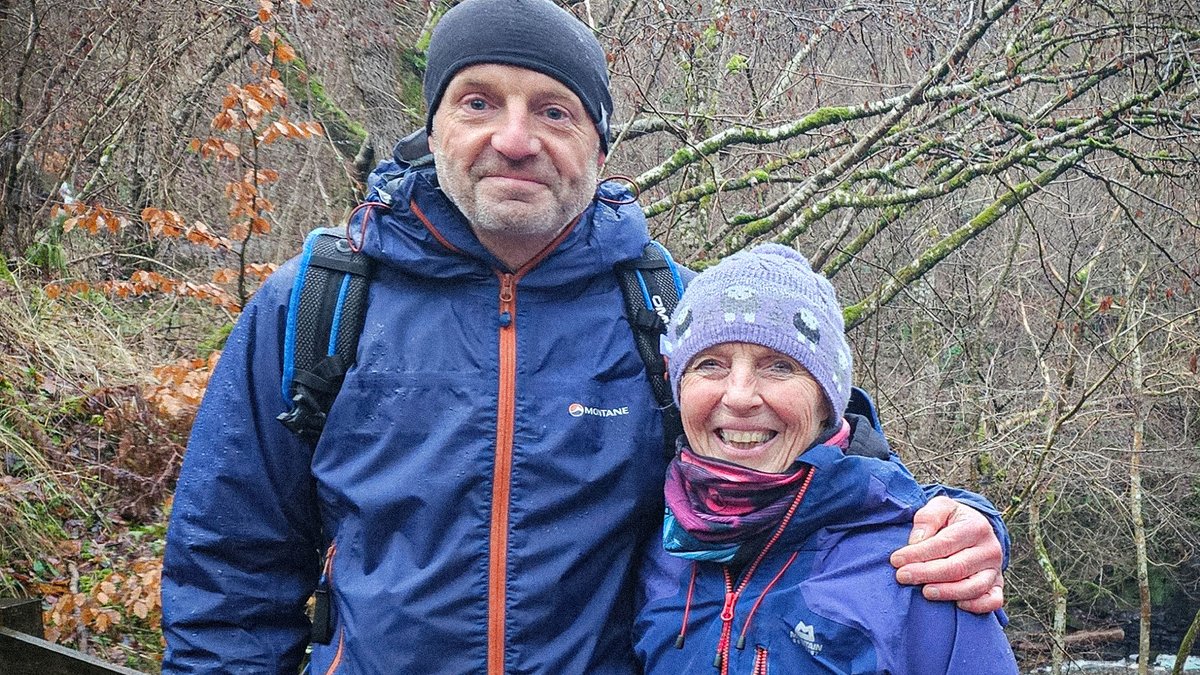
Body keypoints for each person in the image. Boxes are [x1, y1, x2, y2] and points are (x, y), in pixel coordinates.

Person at [160, 0, 1008, 672]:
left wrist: (952, 518)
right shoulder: (317, 304)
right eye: (479, 101)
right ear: (435, 125)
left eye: (554, 111)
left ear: (598, 144)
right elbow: (228, 574)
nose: (516, 140)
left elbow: (793, 456)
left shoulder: (660, 304)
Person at [633, 244, 1019, 674]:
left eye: (778, 365)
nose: (739, 396)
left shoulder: (924, 567)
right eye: (709, 364)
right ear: (678, 387)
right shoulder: (654, 549)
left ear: (826, 401)